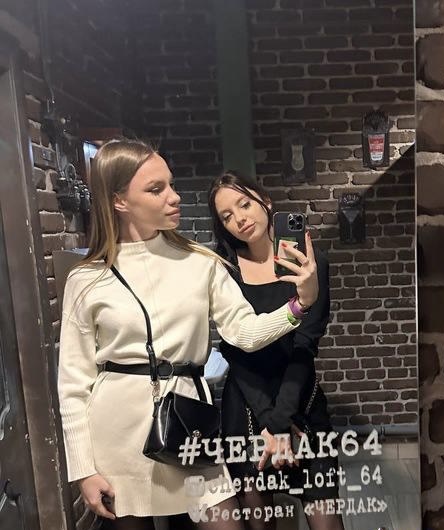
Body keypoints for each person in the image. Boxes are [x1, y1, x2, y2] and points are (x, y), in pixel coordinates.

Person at [57, 139, 319, 530]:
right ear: (119, 200)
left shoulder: (200, 262)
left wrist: (299, 304)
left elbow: (244, 332)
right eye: (156, 189)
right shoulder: (86, 279)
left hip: (189, 421)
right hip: (116, 435)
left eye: (171, 184)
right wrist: (83, 469)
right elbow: (73, 384)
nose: (174, 197)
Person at [208, 171, 344, 530]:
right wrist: (270, 422)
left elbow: (305, 346)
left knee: (327, 520)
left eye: (244, 204)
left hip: (300, 397)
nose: (239, 218)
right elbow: (236, 353)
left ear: (265, 201)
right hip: (247, 404)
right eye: (227, 216)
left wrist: (280, 421)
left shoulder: (311, 264)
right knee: (260, 523)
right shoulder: (224, 270)